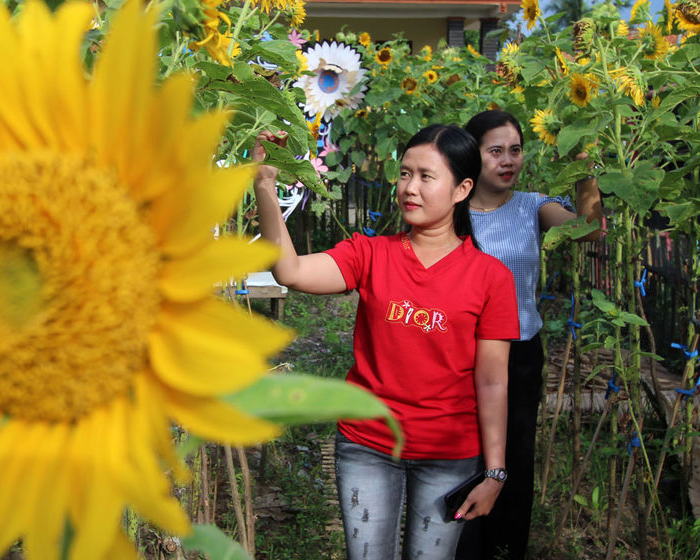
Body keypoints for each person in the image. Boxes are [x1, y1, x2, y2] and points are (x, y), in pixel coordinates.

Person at [252, 124, 520, 560]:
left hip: (448, 454)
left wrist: (494, 472)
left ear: (462, 189)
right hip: (367, 445)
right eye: (404, 174)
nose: (409, 188)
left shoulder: (491, 279)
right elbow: (291, 272)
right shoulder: (371, 254)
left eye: (426, 177)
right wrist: (264, 181)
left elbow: (492, 383)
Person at [456, 110, 603, 560]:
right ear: (471, 155)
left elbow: (588, 231)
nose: (507, 160)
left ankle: (505, 547)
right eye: (495, 151)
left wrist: (584, 171)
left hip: (519, 352)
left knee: (515, 455)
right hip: (460, 352)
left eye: (515, 150)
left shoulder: (533, 206)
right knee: (463, 453)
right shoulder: (451, 210)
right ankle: (461, 544)